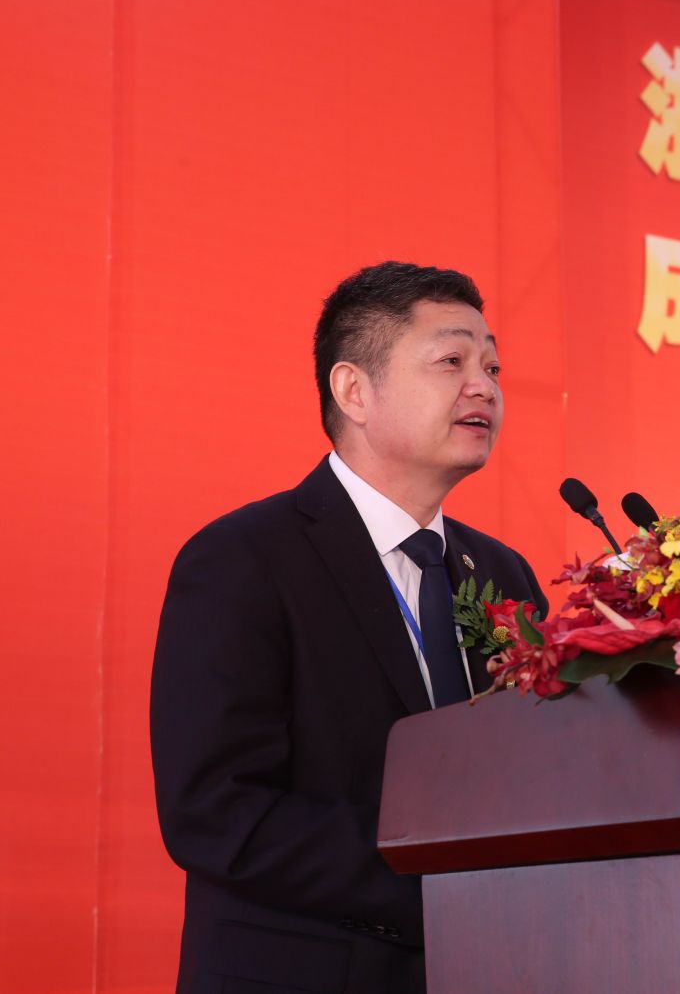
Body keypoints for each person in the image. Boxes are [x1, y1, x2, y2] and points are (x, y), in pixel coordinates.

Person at [150, 261, 548, 994]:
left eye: (492, 366)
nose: (484, 387)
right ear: (353, 390)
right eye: (452, 361)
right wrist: (443, 881)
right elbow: (217, 811)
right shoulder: (243, 558)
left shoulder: (504, 574)